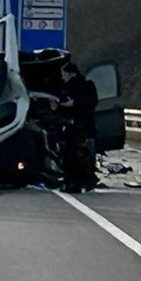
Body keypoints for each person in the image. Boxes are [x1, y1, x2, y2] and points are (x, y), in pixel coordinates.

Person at [53, 62, 99, 192]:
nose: (62, 77)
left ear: (69, 74)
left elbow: (89, 103)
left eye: (64, 74)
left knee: (74, 155)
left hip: (78, 125)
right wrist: (59, 107)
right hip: (77, 126)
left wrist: (73, 104)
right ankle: (80, 181)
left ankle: (76, 182)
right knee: (76, 154)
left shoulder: (82, 86)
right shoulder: (69, 87)